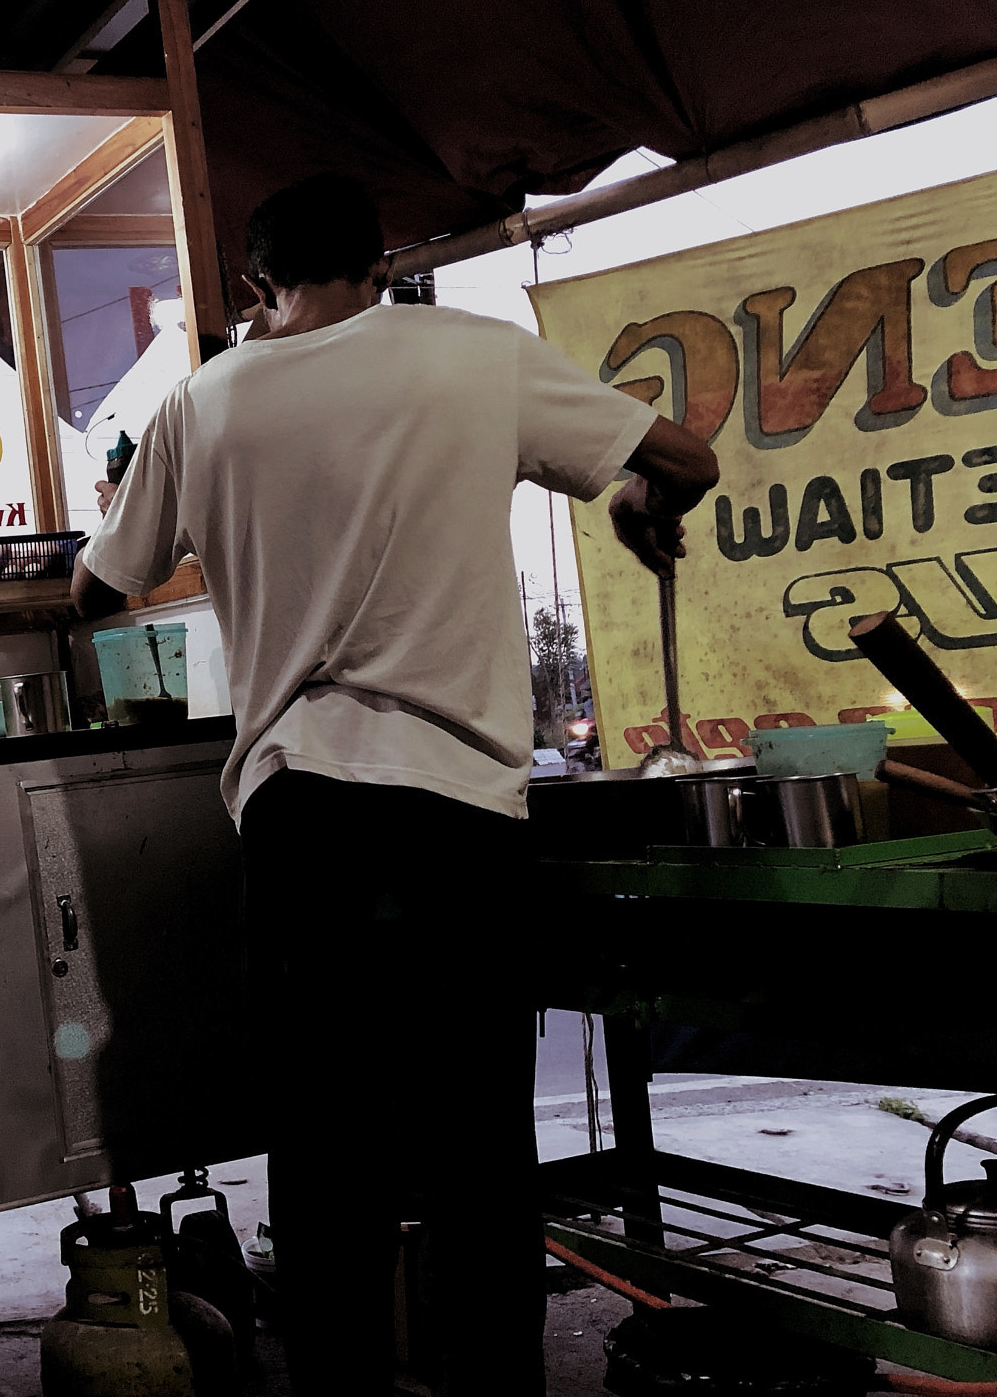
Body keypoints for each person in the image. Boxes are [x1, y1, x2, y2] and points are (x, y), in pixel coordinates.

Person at [71, 174, 718, 1395]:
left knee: (321, 1155)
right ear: (380, 263)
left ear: (256, 287)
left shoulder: (200, 401)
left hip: (294, 808)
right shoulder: (471, 353)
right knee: (476, 1147)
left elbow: (96, 591)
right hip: (457, 813)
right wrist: (636, 501)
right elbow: (687, 455)